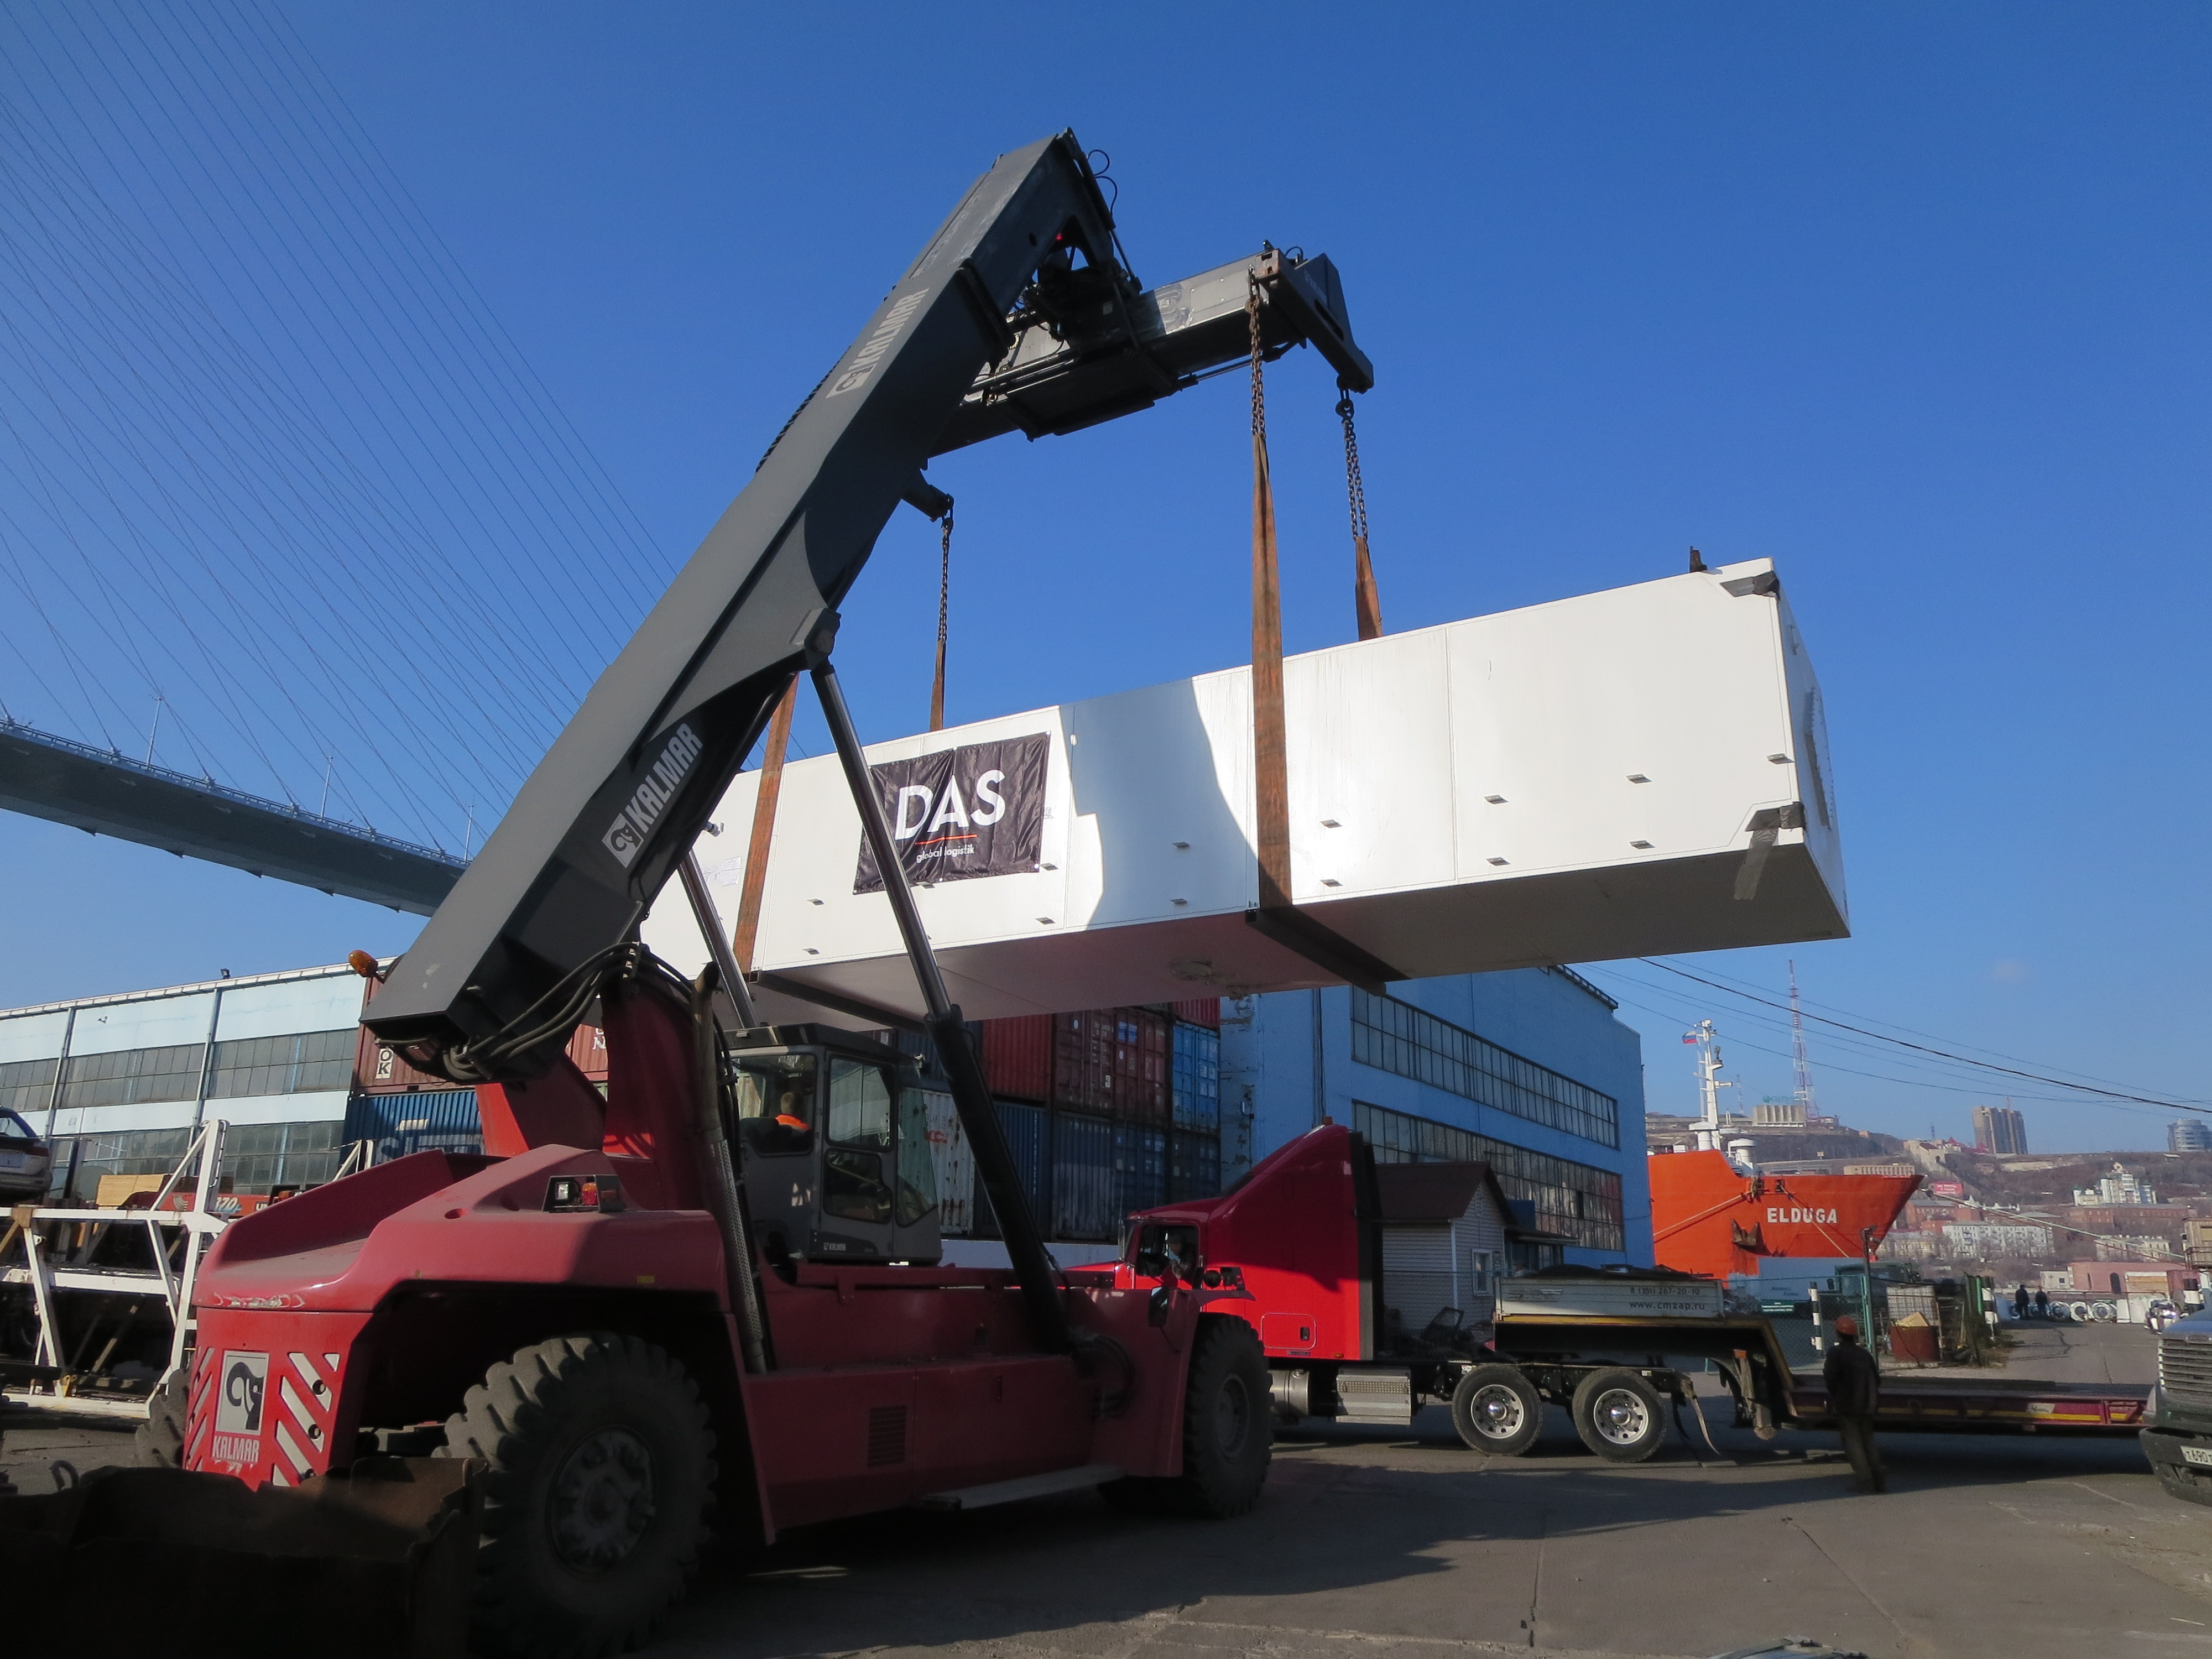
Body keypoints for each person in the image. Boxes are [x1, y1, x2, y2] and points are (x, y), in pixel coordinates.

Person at [1823, 1314, 1886, 1494]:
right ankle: (1879, 1482)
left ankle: (1865, 1482)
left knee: (1854, 1444)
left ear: (1838, 1333)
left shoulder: (1836, 1353)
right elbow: (1877, 1380)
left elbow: (1830, 1378)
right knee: (1868, 1442)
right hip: (1868, 1405)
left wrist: (1835, 1395)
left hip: (1848, 1405)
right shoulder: (1864, 1354)